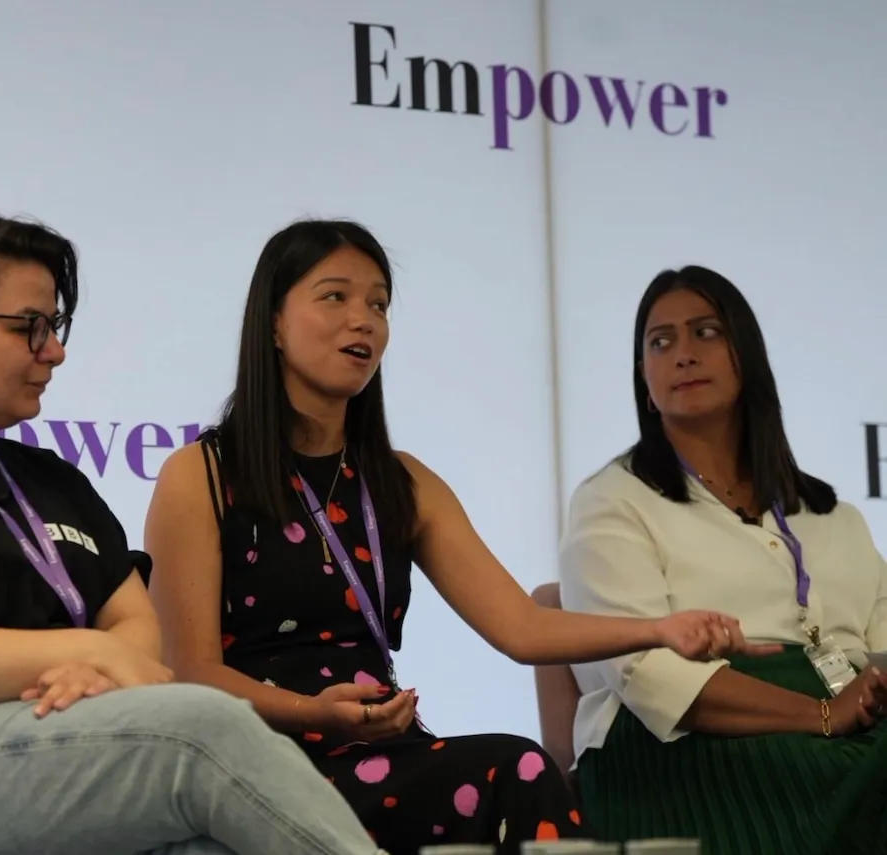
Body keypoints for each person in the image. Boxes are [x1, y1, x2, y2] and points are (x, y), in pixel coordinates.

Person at [143, 220, 770, 855]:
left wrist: (656, 631)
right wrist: (314, 712)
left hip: (382, 751)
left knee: (525, 771)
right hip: (257, 761)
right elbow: (190, 673)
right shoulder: (202, 474)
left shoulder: (401, 481)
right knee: (514, 771)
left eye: (379, 304)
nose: (363, 319)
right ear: (274, 323)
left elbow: (523, 627)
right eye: (335, 297)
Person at [0, 210, 390, 855]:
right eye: (30, 328)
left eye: (55, 326)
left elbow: (134, 625)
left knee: (206, 846)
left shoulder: (51, 479)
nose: (55, 351)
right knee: (201, 727)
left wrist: (100, 665)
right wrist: (88, 654)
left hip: (56, 727)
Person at [559, 265, 887, 854]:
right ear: (644, 376)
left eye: (705, 333)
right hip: (680, 750)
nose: (683, 354)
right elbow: (648, 676)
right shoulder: (612, 500)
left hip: (848, 729)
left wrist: (866, 695)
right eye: (661, 342)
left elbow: (883, 643)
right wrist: (819, 714)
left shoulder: (833, 514)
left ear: (747, 354)